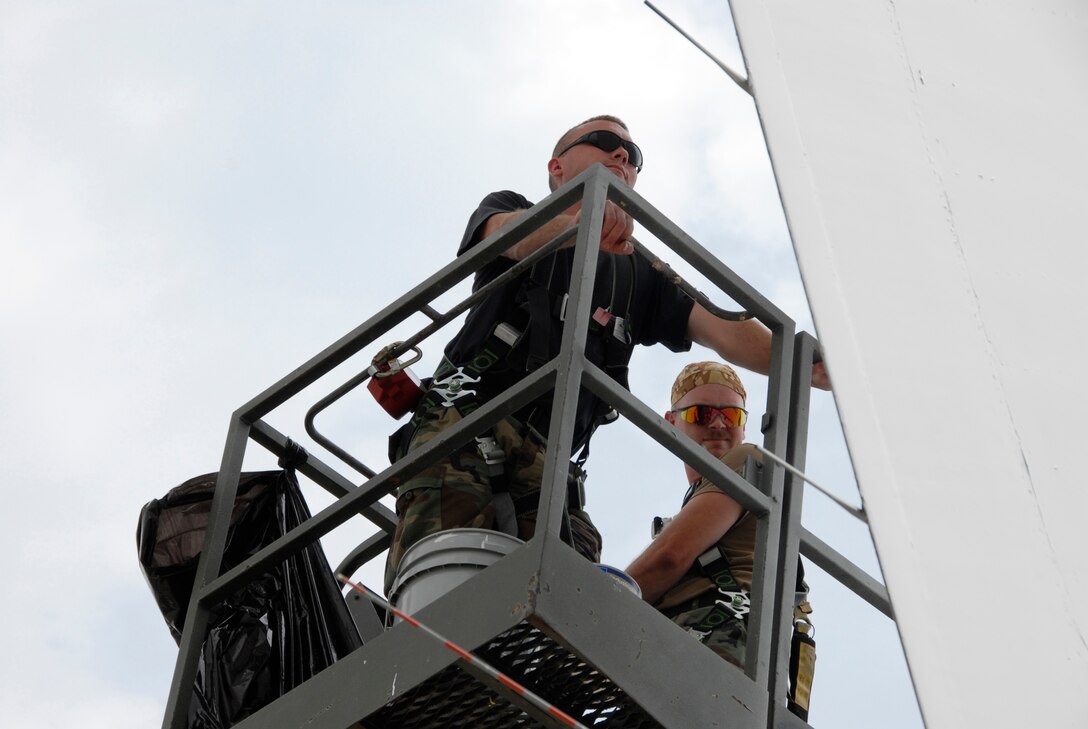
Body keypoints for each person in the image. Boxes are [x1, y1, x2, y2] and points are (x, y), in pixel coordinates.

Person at [383, 115, 829, 595]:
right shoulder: (511, 208)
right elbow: (504, 235)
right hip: (465, 423)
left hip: (552, 464)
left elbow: (726, 329)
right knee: (443, 575)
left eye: (632, 156)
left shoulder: (641, 274)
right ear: (556, 166)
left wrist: (811, 364)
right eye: (605, 143)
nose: (622, 157)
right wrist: (581, 226)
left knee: (570, 605)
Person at [624, 361, 814, 716]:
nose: (717, 424)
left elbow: (669, 557)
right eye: (701, 413)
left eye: (731, 415)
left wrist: (599, 600)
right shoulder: (698, 504)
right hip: (685, 655)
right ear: (672, 423)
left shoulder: (748, 461)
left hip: (711, 650)